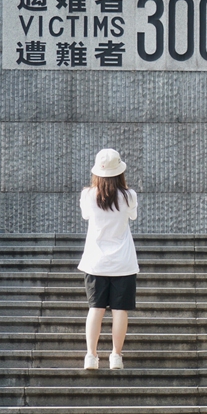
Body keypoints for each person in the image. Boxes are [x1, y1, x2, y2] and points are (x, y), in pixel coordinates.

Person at [77, 148, 139, 370]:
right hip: (123, 261)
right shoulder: (129, 195)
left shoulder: (88, 195)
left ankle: (91, 356)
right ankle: (116, 356)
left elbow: (86, 215)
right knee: (120, 310)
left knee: (96, 308)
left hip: (95, 261)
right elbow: (132, 215)